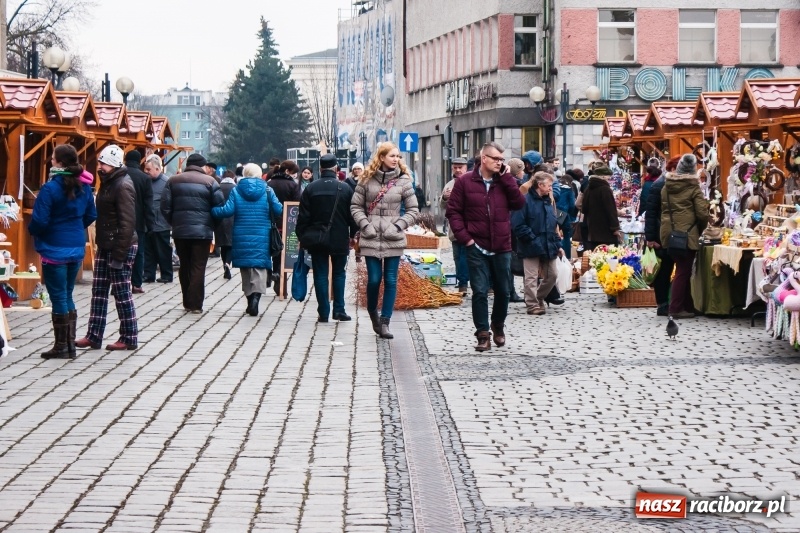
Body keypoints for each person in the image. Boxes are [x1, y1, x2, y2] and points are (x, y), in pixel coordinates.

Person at [446, 141, 525, 352]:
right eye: (496, 159)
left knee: (503, 291)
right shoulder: (464, 182)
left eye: (502, 159)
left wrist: (508, 178)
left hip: (501, 245)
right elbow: (453, 212)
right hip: (476, 245)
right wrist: (466, 239)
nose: (500, 163)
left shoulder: (505, 182)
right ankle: (482, 334)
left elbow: (518, 204)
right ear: (484, 159)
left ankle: (497, 325)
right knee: (479, 291)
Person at [28, 144, 97, 359]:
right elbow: (91, 215)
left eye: (52, 158)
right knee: (67, 294)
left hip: (54, 248)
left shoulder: (50, 188)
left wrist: (36, 233)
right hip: (76, 247)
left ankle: (62, 346)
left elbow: (39, 220)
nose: (50, 161)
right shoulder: (84, 187)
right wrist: (76, 227)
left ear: (60, 162)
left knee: (58, 295)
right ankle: (69, 344)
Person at [351, 142, 419, 339]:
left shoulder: (404, 181)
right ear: (381, 157)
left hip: (393, 237)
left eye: (398, 156)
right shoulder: (365, 179)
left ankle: (385, 322)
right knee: (374, 279)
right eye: (392, 156)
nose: (396, 159)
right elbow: (355, 207)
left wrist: (398, 225)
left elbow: (414, 210)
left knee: (390, 280)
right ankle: (373, 311)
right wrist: (365, 225)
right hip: (371, 236)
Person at [75, 145, 139, 351]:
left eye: (102, 163)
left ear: (112, 165)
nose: (99, 167)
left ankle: (129, 336)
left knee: (121, 293)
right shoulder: (109, 182)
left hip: (121, 245)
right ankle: (94, 335)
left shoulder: (122, 186)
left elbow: (127, 224)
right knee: (99, 291)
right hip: (106, 244)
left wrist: (119, 255)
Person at [212, 163, 283, 316]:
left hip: (241, 232)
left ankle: (250, 299)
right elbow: (278, 210)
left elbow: (228, 210)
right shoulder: (267, 190)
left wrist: (212, 210)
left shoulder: (236, 190)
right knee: (259, 265)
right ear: (259, 174)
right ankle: (257, 297)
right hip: (262, 233)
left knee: (246, 267)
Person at [296, 153, 358, 322]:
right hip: (339, 238)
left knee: (320, 274)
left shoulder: (311, 188)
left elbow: (303, 217)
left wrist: (301, 236)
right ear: (336, 168)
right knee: (339, 274)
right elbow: (352, 216)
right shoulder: (345, 188)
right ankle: (339, 310)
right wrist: (353, 235)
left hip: (317, 239)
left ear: (320, 169)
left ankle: (323, 311)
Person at [160, 153, 224, 314]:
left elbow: (165, 206)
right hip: (202, 233)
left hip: (180, 231)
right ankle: (195, 304)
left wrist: (174, 222)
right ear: (203, 166)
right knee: (198, 266)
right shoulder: (211, 182)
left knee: (185, 265)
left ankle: (187, 301)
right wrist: (211, 225)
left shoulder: (173, 181)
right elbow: (219, 208)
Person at [660, 153, 708, 319]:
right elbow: (702, 213)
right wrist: (701, 229)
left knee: (683, 270)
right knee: (683, 271)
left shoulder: (666, 186)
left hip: (669, 232)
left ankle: (688, 306)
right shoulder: (693, 187)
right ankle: (675, 308)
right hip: (686, 234)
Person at [512, 172, 563, 315]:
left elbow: (553, 224)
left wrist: (557, 244)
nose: (551, 188)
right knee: (531, 277)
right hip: (530, 244)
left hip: (549, 244)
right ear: (540, 185)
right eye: (549, 185)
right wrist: (533, 239)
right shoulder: (524, 201)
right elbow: (518, 225)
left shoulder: (548, 201)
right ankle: (532, 304)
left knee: (552, 275)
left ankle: (539, 297)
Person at [645, 156, 679, 316]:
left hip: (671, 233)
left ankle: (669, 302)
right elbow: (651, 213)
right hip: (661, 234)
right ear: (672, 169)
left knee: (669, 268)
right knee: (663, 270)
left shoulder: (670, 184)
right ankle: (662, 304)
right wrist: (651, 237)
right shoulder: (659, 185)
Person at [123, 150, 155, 295]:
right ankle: (136, 284)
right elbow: (149, 204)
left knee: (119, 251)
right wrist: (151, 225)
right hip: (138, 221)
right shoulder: (144, 178)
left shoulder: (119, 174)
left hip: (121, 219)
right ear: (139, 161)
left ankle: (118, 283)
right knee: (139, 253)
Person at [440, 157, 470, 294]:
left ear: (465, 168)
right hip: (454, 228)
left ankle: (463, 283)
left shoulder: (471, 181)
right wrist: (445, 198)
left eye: (460, 167)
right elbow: (442, 206)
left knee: (464, 256)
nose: (457, 170)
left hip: (467, 226)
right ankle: (461, 281)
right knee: (457, 257)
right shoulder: (449, 184)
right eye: (455, 167)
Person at [142, 154, 173, 284]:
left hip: (161, 224)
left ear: (157, 169)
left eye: (149, 169)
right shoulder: (146, 182)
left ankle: (166, 274)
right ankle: (149, 274)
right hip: (148, 223)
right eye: (145, 169)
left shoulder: (166, 183)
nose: (146, 172)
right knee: (148, 251)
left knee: (163, 251)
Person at [580, 165, 621, 250]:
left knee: (596, 256)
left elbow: (584, 208)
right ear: (603, 177)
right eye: (609, 178)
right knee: (608, 256)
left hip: (592, 230)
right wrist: (615, 228)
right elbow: (611, 210)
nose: (609, 180)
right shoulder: (605, 189)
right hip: (607, 231)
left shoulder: (588, 188)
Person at [216, 169, 237, 279]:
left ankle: (224, 264)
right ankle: (228, 263)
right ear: (233, 177)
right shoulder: (235, 188)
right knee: (231, 244)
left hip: (219, 218)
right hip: (232, 218)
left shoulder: (218, 187)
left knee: (223, 244)